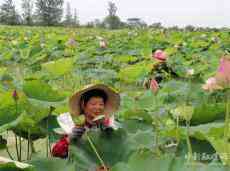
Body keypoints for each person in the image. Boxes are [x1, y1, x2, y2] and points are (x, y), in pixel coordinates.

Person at [51, 84, 120, 161]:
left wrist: (110, 133)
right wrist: (70, 138)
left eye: (101, 104)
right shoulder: (73, 125)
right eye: (93, 104)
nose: (98, 108)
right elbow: (56, 153)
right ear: (83, 105)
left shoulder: (107, 124)